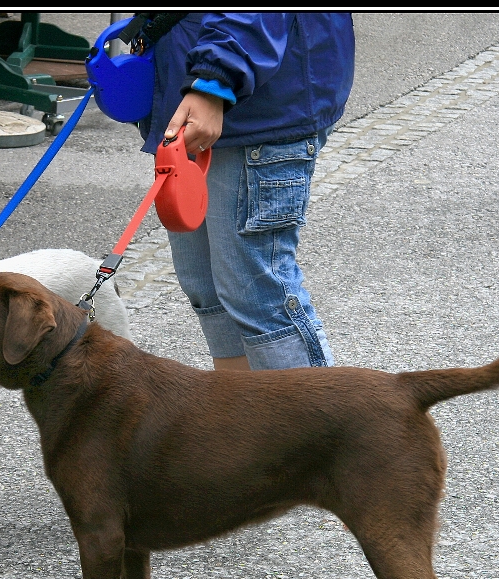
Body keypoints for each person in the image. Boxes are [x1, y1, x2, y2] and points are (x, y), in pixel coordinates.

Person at [134, 13, 355, 371]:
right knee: (206, 285)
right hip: (200, 88)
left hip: (255, 104)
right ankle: (240, 423)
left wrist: (214, 79)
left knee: (256, 295)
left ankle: (313, 426)